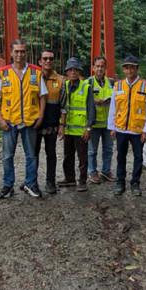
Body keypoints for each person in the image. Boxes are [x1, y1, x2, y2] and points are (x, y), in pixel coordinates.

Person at [0, 39, 48, 199]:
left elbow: (42, 96)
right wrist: (0, 118)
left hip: (30, 121)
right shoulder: (2, 73)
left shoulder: (36, 72)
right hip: (9, 121)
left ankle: (30, 183)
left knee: (31, 155)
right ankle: (8, 185)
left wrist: (41, 116)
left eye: (22, 51)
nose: (19, 54)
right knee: (7, 156)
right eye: (16, 51)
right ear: (11, 53)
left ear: (26, 52)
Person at [108, 54, 146, 196]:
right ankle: (120, 182)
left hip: (138, 130)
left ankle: (135, 183)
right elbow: (113, 107)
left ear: (137, 68)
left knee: (138, 158)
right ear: (124, 69)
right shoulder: (118, 85)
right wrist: (112, 127)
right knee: (120, 157)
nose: (129, 70)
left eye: (132, 67)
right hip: (121, 128)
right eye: (127, 68)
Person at [58, 57, 95, 192]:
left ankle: (82, 181)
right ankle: (70, 179)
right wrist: (61, 126)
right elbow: (62, 107)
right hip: (68, 129)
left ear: (79, 72)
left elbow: (91, 109)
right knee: (68, 156)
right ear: (67, 72)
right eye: (70, 70)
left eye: (75, 69)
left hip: (81, 131)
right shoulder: (64, 86)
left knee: (82, 158)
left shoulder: (86, 87)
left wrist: (88, 128)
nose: (73, 72)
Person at [36, 49, 64, 194]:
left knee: (51, 154)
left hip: (52, 124)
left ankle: (50, 181)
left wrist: (62, 124)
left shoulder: (60, 80)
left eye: (51, 59)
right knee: (32, 154)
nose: (48, 61)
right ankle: (31, 181)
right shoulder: (33, 77)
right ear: (40, 61)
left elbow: (64, 105)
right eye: (45, 58)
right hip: (35, 123)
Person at [87, 56, 114, 184]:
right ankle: (92, 172)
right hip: (94, 123)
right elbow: (83, 100)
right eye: (97, 66)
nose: (100, 69)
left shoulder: (111, 83)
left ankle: (106, 171)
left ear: (105, 68)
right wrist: (93, 101)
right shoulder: (88, 83)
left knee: (108, 149)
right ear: (93, 68)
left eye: (102, 66)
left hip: (108, 123)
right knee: (92, 150)